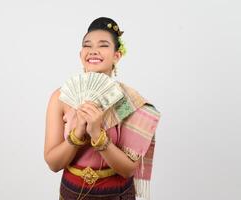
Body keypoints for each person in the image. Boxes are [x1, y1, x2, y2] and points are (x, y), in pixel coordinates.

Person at [44, 17, 161, 200]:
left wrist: (97, 135)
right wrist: (78, 134)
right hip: (72, 193)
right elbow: (53, 163)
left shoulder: (128, 102)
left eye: (103, 45)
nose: (93, 51)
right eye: (87, 45)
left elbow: (128, 169)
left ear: (117, 55)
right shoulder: (61, 98)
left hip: (117, 194)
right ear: (81, 54)